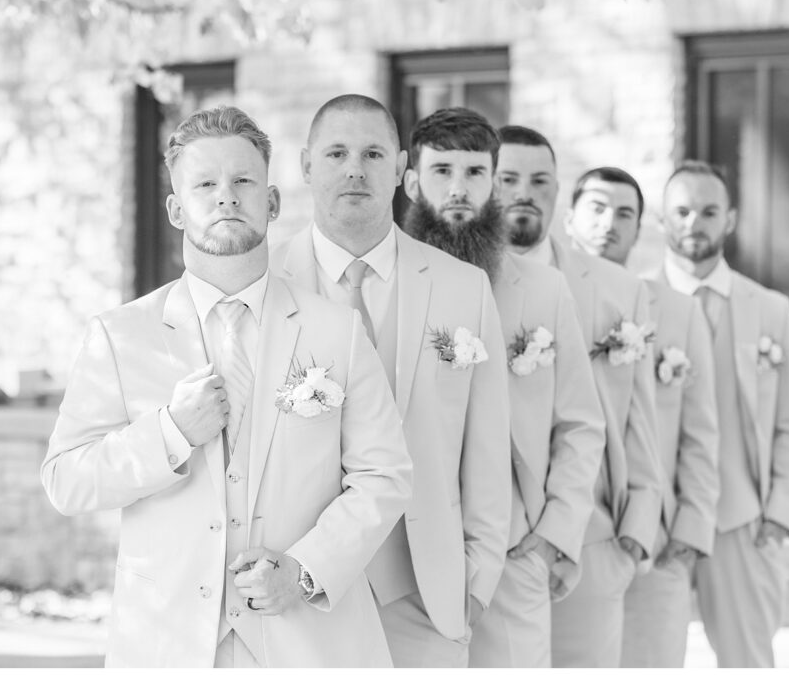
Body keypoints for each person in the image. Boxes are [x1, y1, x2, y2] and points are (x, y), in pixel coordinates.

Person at [42, 106, 412, 667]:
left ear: (272, 201)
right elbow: (66, 481)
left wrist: (306, 571)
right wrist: (168, 433)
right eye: (205, 184)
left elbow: (383, 476)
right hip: (167, 642)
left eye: (243, 181)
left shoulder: (338, 330)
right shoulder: (120, 335)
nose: (226, 197)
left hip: (310, 641)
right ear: (175, 208)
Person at [270, 94, 511, 667]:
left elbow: (487, 446)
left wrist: (474, 582)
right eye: (337, 153)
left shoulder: (463, 287)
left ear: (402, 172)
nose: (355, 168)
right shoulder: (264, 281)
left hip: (426, 595)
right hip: (296, 590)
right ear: (306, 166)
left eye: (373, 153)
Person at [401, 108, 607, 667]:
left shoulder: (544, 290)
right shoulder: (384, 284)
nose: (459, 188)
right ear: (412, 180)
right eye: (442, 171)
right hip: (405, 556)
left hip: (518, 553)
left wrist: (553, 534)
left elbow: (582, 424)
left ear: (494, 181)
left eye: (475, 172)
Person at [495, 126, 662, 667]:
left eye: (539, 180)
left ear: (556, 191)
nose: (524, 191)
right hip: (490, 543)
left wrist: (636, 530)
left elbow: (638, 416)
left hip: (592, 540)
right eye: (508, 178)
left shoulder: (618, 290)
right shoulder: (451, 277)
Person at [658, 160, 789, 667]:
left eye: (708, 211)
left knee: (749, 662)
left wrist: (781, 514)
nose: (692, 222)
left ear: (731, 219)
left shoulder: (771, 309)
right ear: (662, 218)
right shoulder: (634, 300)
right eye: (680, 211)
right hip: (656, 519)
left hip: (742, 520)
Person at [572, 166, 721, 667]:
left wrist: (690, 533)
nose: (608, 223)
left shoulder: (679, 314)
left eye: (624, 213)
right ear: (569, 219)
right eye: (595, 208)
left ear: (640, 230)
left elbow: (701, 434)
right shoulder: (541, 303)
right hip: (570, 539)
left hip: (658, 546)